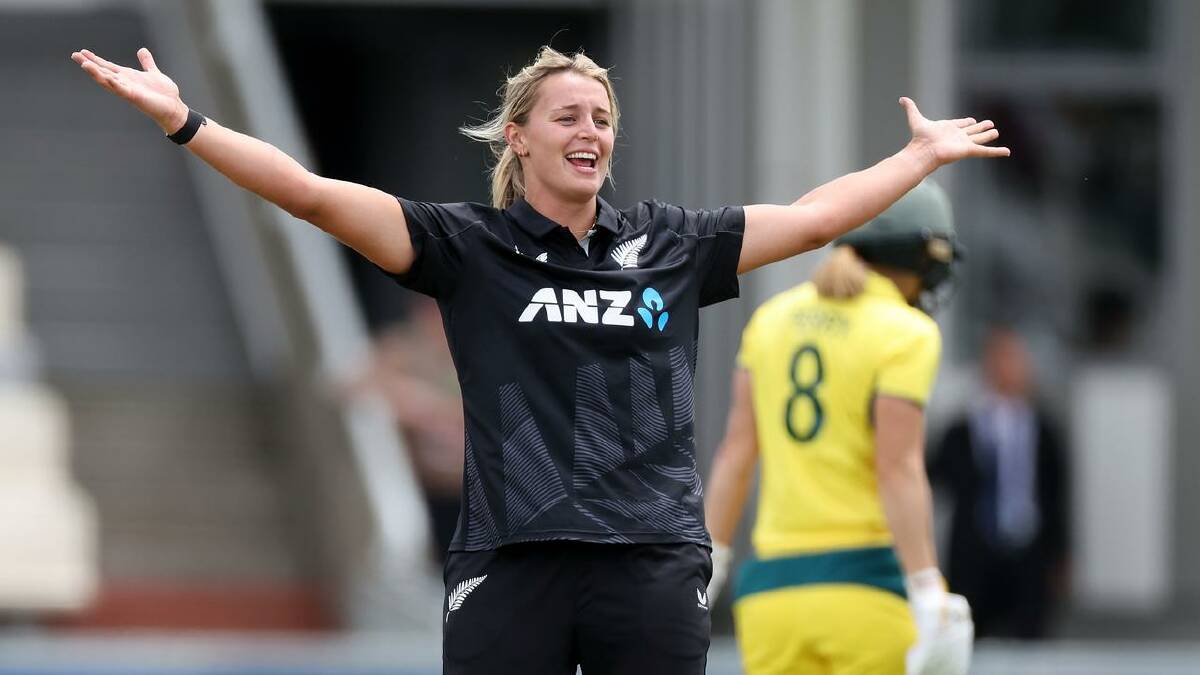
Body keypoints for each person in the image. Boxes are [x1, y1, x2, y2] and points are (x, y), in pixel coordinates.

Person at [72, 44, 1006, 674]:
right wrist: (187, 122)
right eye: (567, 116)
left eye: (601, 117)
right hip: (511, 563)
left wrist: (918, 158)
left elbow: (811, 220)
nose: (589, 131)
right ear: (517, 137)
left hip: (650, 563)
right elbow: (311, 195)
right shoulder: (466, 246)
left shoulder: (670, 244)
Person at [705, 181, 974, 675]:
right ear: (920, 255)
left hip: (770, 596)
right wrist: (926, 587)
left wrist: (709, 565)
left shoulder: (771, 319)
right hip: (866, 587)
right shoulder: (906, 332)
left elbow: (735, 455)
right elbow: (898, 468)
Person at [929, 326, 1070, 640]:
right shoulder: (962, 428)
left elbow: (1056, 495)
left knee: (1030, 638)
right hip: (974, 551)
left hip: (1027, 550)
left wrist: (1060, 553)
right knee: (969, 635)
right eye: (1002, 358)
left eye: (1016, 359)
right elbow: (935, 477)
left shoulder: (1045, 430)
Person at [340, 295, 465, 562]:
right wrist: (422, 407)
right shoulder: (403, 348)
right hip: (425, 490)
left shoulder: (484, 355)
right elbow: (353, 382)